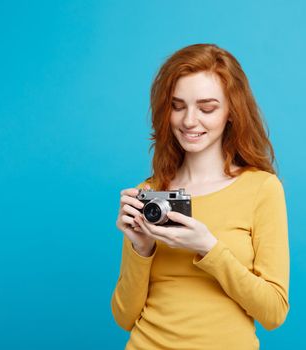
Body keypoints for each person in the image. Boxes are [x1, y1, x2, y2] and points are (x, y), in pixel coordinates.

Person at [111, 43, 290, 350]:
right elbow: (124, 317)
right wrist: (141, 249)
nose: (189, 121)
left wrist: (208, 249)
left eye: (207, 108)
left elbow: (273, 313)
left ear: (231, 112)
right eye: (178, 106)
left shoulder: (262, 188)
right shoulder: (148, 195)